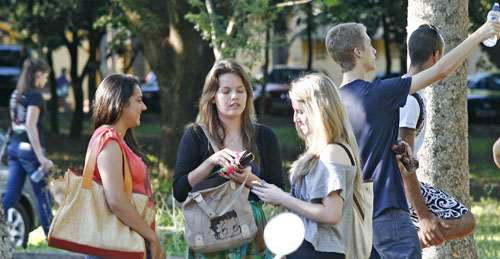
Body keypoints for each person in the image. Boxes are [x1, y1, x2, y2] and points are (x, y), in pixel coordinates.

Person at [325, 20, 500, 258]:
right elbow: (441, 71)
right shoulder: (380, 93)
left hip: (351, 213)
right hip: (387, 208)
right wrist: (479, 34)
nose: (374, 49)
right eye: (369, 44)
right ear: (357, 52)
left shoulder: (332, 102)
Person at [173, 58, 284, 258]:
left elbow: (279, 195)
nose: (234, 97)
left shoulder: (265, 137)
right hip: (210, 234)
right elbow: (179, 191)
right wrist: (211, 162)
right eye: (226, 91)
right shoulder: (196, 136)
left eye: (240, 91)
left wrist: (247, 179)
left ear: (248, 95)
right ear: (212, 96)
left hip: (252, 233)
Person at [252, 74, 362, 259]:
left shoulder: (332, 152)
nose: (295, 119)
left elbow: (330, 214)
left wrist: (283, 198)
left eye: (300, 111)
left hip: (319, 252)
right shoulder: (323, 150)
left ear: (318, 110)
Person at [399, 25, 476, 248]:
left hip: (398, 180)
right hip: (394, 184)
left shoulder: (403, 88)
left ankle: (399, 243)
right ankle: (397, 245)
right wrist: (424, 217)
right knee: (465, 221)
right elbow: (404, 160)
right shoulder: (410, 99)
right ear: (437, 56)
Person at [85, 74, 165, 259]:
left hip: (124, 241)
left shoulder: (119, 140)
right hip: (112, 245)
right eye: (138, 101)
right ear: (120, 103)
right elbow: (117, 201)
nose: (143, 107)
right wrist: (152, 237)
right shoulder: (108, 141)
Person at [3, 59, 53, 237]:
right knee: (43, 194)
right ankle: (52, 237)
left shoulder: (15, 94)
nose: (46, 81)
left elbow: (16, 124)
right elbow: (31, 126)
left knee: (11, 195)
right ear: (39, 74)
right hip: (30, 151)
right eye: (45, 76)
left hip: (14, 147)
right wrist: (41, 158)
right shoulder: (34, 95)